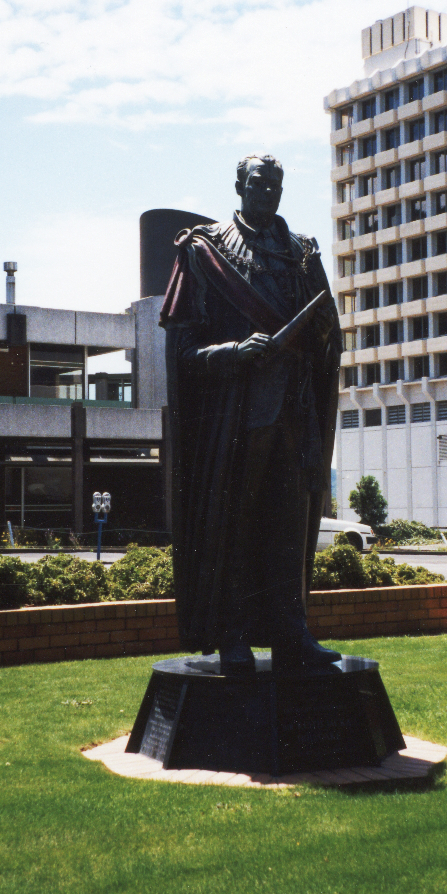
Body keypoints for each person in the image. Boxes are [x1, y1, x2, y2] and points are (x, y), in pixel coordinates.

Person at [160, 154, 342, 675]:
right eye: (259, 184)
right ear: (239, 185)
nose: (268, 193)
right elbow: (183, 353)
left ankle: (292, 634)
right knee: (233, 529)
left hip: (294, 415)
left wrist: (324, 335)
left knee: (289, 528)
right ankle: (232, 634)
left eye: (276, 186)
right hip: (235, 421)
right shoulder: (204, 250)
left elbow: (328, 334)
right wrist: (234, 352)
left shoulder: (302, 252)